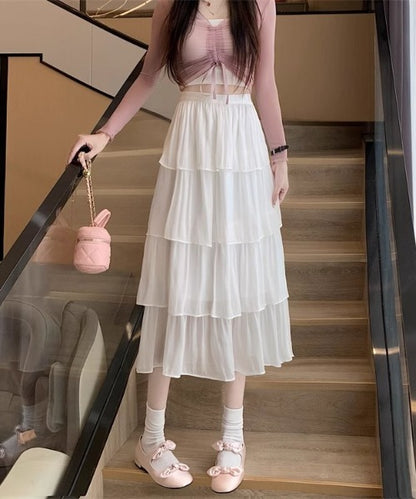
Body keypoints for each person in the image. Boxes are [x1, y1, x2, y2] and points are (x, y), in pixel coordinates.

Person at [67, 0, 294, 493]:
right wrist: (104, 135)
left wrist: (279, 158)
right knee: (176, 288)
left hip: (242, 152)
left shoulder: (260, 3)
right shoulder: (172, 4)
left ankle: (233, 437)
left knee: (236, 290)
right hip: (190, 148)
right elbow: (149, 75)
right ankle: (150, 439)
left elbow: (265, 82)